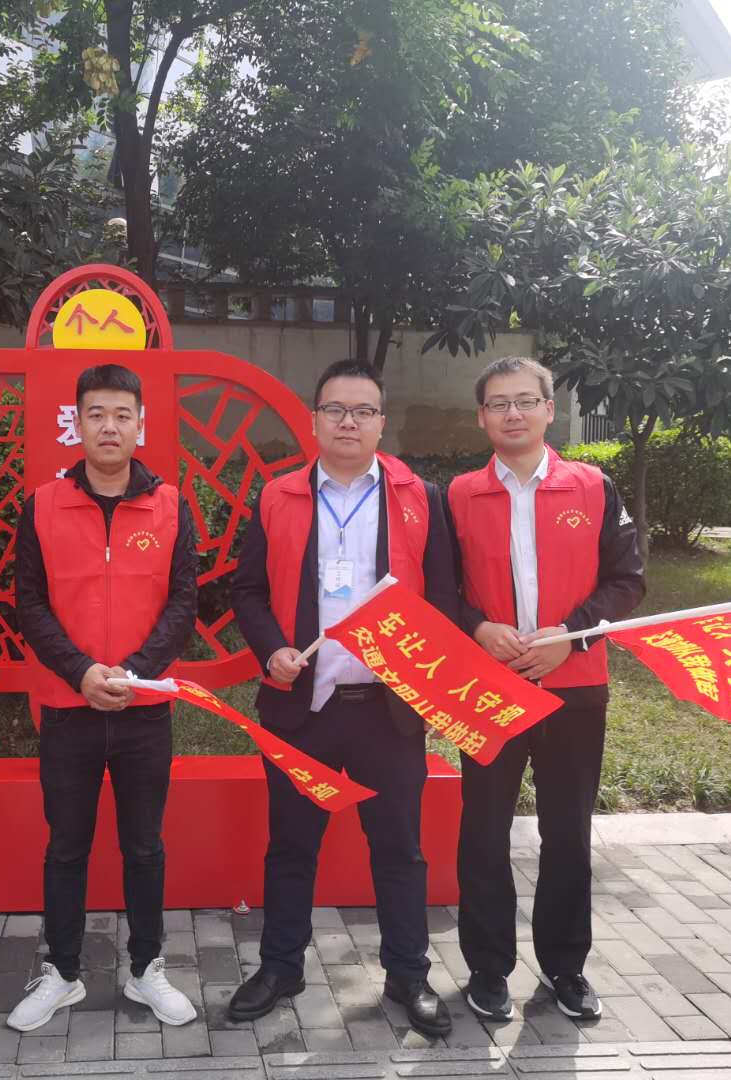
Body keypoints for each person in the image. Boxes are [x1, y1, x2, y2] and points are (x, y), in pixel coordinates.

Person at [229, 359, 460, 1038]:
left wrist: (424, 676)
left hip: (388, 709)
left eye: (363, 411)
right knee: (291, 846)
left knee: (399, 850)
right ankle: (281, 967)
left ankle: (409, 975)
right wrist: (271, 647)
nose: (349, 423)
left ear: (382, 423)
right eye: (336, 410)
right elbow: (247, 590)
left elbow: (444, 598)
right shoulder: (278, 497)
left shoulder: (421, 497)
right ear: (314, 420)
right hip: (303, 705)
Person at [448, 356, 644, 1023]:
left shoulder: (593, 486)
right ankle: (487, 968)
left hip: (575, 685)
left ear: (548, 409)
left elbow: (628, 581)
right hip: (487, 687)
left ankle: (565, 967)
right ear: (482, 417)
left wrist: (573, 635)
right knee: (482, 830)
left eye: (525, 401)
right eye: (498, 403)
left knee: (567, 831)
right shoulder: (459, 495)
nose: (513, 413)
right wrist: (478, 627)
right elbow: (439, 587)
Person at [6, 363, 200, 1033]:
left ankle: (146, 969)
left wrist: (135, 674)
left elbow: (183, 602)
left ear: (141, 424)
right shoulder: (43, 505)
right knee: (66, 847)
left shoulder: (170, 506)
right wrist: (83, 672)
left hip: (145, 712)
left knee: (144, 847)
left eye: (122, 414)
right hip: (69, 711)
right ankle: (61, 973)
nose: (109, 426)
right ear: (77, 423)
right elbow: (29, 603)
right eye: (96, 414)